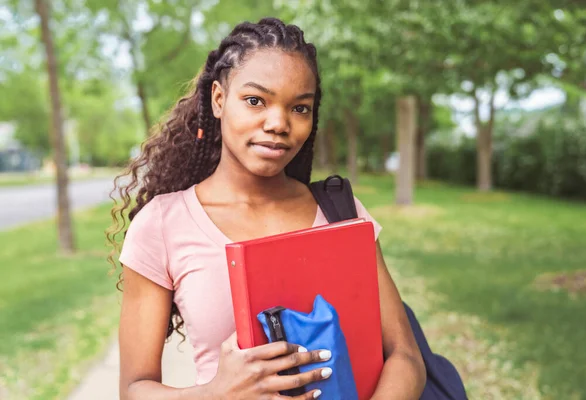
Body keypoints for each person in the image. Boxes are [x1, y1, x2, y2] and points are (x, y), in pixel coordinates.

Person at [108, 17, 426, 400]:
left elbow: (405, 356)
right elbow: (133, 389)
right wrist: (214, 394)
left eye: (300, 108)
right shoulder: (162, 224)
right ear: (219, 99)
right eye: (255, 100)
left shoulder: (342, 212)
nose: (278, 123)